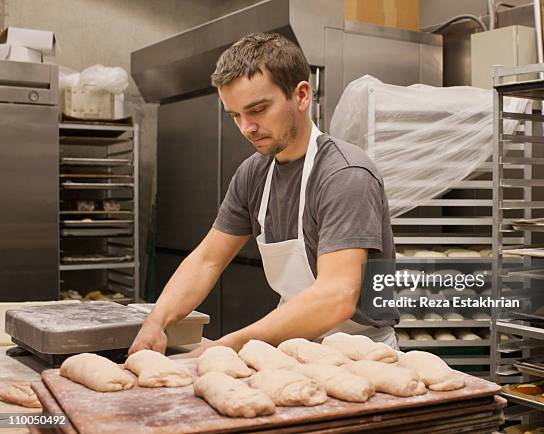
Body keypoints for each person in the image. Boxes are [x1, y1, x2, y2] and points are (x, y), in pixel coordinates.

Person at [129, 32, 398, 357]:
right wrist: (156, 321)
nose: (246, 128)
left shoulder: (344, 174)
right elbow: (207, 260)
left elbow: (336, 295)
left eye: (257, 110)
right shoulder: (254, 174)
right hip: (292, 345)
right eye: (235, 116)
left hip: (362, 354)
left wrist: (233, 343)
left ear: (301, 96)